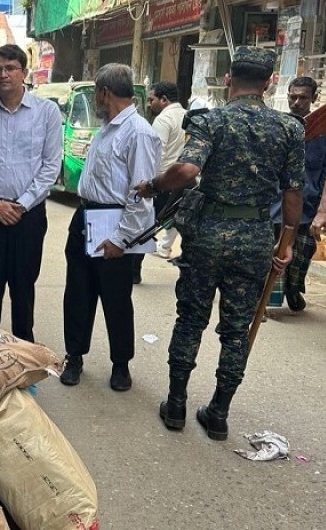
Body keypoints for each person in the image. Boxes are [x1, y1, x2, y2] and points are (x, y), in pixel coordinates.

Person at [136, 47, 304, 440]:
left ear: (229, 80)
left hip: (208, 234)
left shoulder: (213, 122)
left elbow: (188, 169)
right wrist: (286, 244)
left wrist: (153, 186)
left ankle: (176, 405)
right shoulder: (289, 128)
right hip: (254, 239)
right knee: (237, 329)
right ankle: (219, 414)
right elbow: (294, 191)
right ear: (269, 82)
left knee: (191, 319)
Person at [60, 63, 162, 391]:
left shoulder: (139, 132)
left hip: (115, 222)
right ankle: (74, 356)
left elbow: (141, 194)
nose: (95, 102)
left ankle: (121, 365)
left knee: (116, 298)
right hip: (86, 217)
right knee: (78, 291)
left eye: (95, 95)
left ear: (104, 93)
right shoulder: (107, 129)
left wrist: (121, 238)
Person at [0, 44, 62, 342]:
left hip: (29, 216)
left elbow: (51, 165)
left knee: (23, 289)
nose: (3, 74)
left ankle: (24, 355)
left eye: (10, 68)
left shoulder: (47, 112)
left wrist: (21, 205)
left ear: (24, 72)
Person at [267, 76, 326, 311]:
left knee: (301, 257)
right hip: (275, 206)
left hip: (307, 207)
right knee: (272, 255)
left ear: (313, 98)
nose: (297, 102)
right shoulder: (278, 128)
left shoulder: (322, 134)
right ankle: (266, 301)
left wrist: (322, 212)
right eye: (293, 96)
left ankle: (293, 289)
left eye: (303, 97)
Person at [132, 81, 188, 281]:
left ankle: (134, 271)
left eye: (151, 99)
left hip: (164, 182)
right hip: (185, 181)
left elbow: (156, 154)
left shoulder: (163, 120)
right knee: (180, 224)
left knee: (145, 225)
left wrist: (149, 185)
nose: (149, 104)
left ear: (164, 100)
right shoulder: (187, 115)